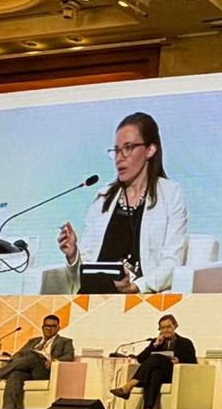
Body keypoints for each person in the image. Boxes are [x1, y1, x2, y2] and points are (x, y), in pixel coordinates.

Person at [57, 112, 188, 294]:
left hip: (140, 298)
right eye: (116, 150)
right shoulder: (103, 197)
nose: (119, 158)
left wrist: (135, 286)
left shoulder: (170, 194)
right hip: (94, 296)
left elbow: (172, 263)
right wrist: (73, 255)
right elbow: (84, 271)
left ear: (150, 150)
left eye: (128, 148)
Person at [0, 314, 75, 409]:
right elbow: (19, 354)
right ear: (42, 327)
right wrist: (13, 358)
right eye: (47, 326)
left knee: (32, 355)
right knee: (15, 374)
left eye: (53, 326)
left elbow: (69, 356)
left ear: (58, 328)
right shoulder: (33, 341)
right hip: (27, 368)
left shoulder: (65, 341)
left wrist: (54, 361)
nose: (50, 329)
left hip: (44, 370)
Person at [110, 314, 197, 409]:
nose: (166, 330)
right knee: (155, 374)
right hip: (161, 375)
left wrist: (179, 361)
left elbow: (193, 363)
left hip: (174, 374)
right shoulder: (156, 342)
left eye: (168, 327)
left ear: (175, 326)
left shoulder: (186, 343)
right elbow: (141, 359)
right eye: (163, 328)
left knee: (156, 357)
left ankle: (129, 386)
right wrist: (154, 345)